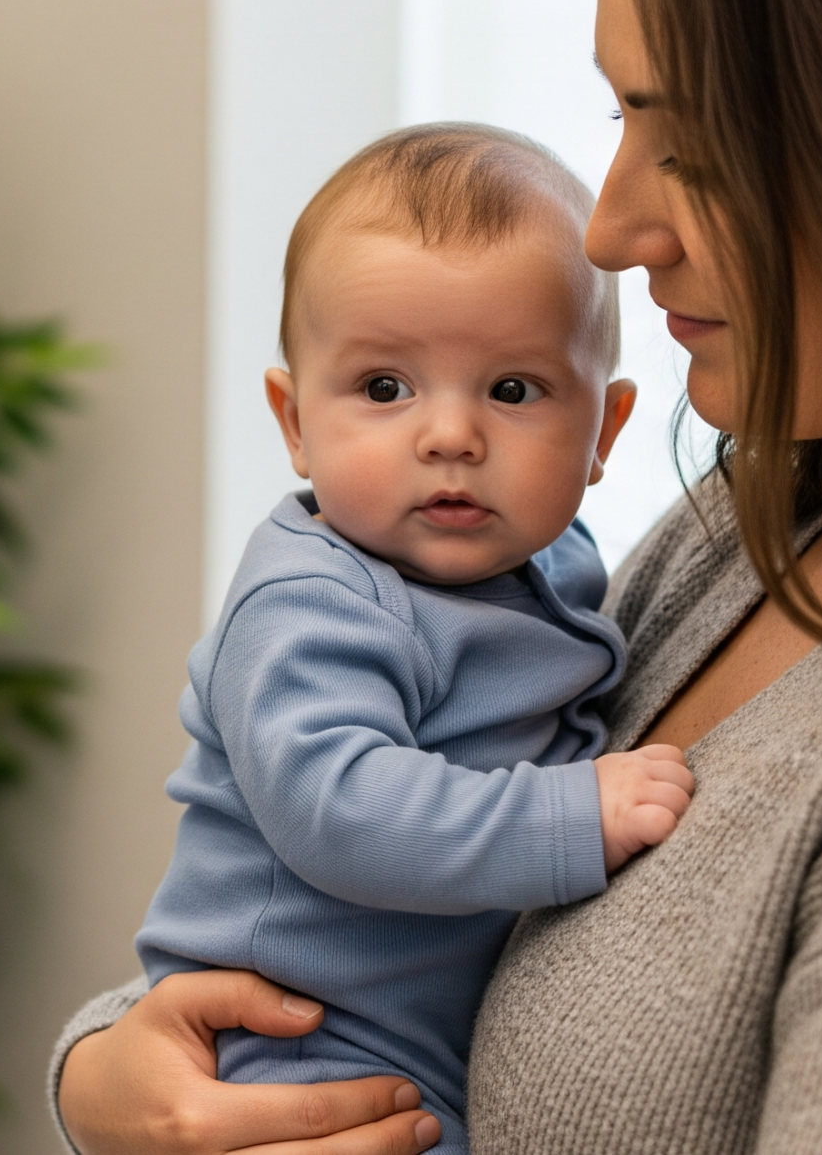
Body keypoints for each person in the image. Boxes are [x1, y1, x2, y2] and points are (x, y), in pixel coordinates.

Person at [51, 0, 822, 1151]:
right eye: (620, 116)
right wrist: (109, 1078)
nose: (611, 227)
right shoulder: (753, 520)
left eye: (693, 147)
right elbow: (326, 905)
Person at [136, 124, 689, 1155]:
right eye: (384, 388)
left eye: (512, 390)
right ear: (293, 419)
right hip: (291, 1043)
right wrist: (573, 814)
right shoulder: (310, 598)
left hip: (422, 1048)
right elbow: (338, 807)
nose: (449, 435)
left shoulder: (553, 567)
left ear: (603, 434)